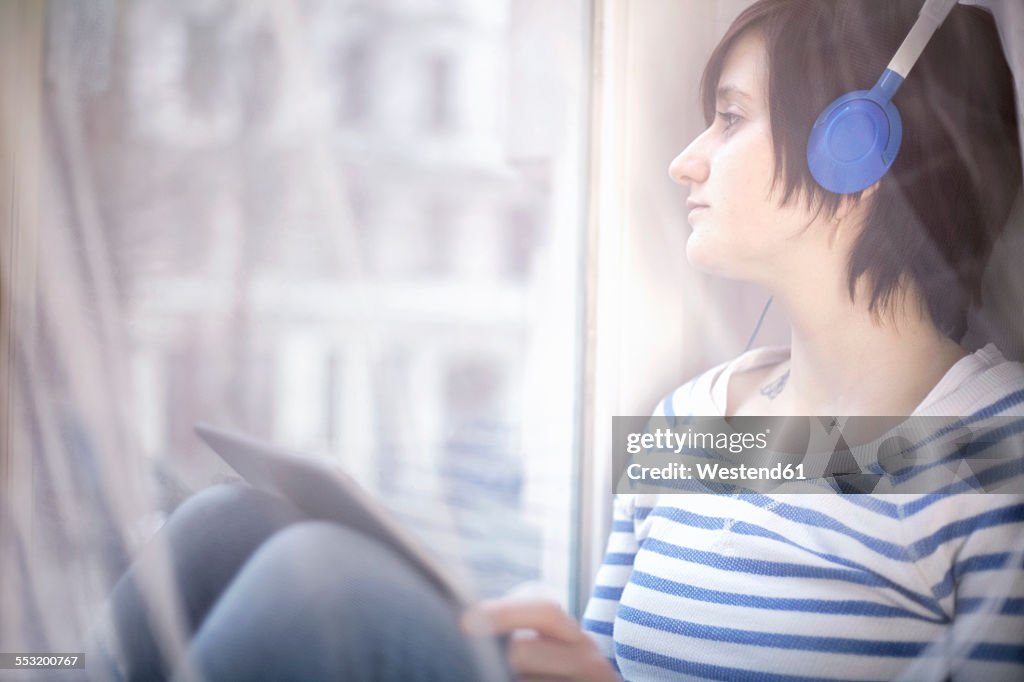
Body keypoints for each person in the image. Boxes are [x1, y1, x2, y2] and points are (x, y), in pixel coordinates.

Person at [83, 1, 1022, 680]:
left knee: (312, 585)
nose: (683, 159)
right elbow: (604, 658)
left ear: (853, 149)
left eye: (728, 119)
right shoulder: (694, 417)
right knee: (223, 524)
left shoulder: (1000, 454)